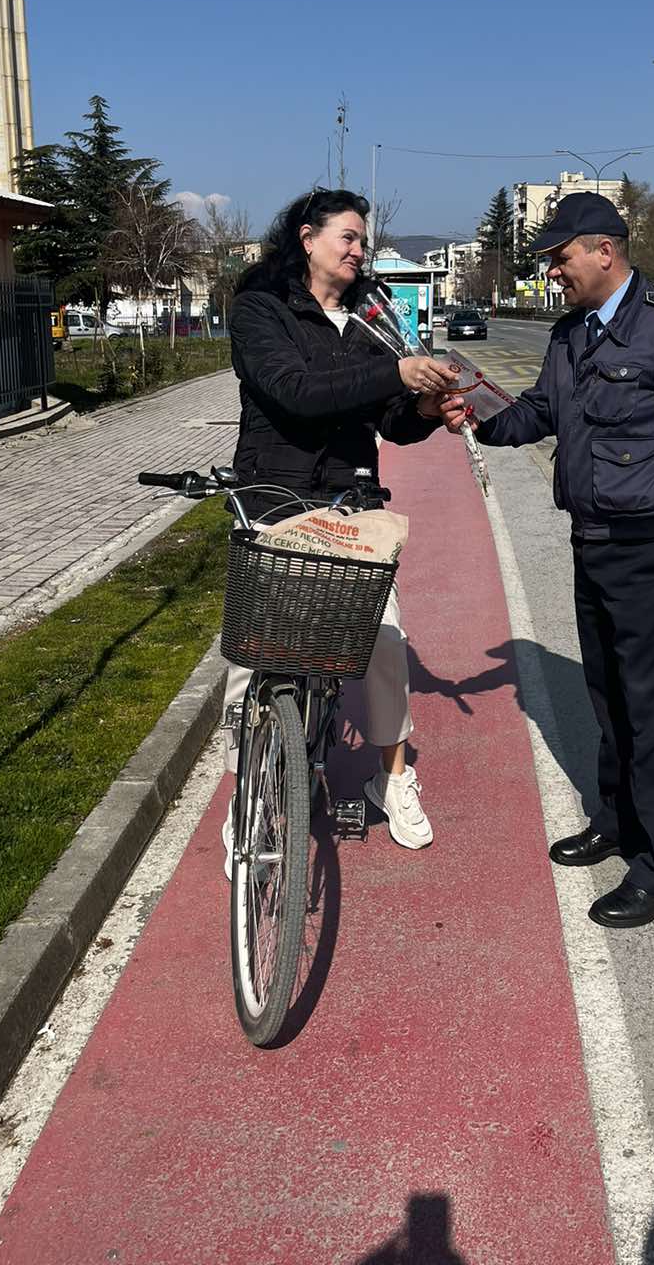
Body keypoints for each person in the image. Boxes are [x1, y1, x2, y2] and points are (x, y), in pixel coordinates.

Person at [442, 191, 654, 929]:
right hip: (594, 539)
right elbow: (541, 412)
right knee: (610, 701)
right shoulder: (574, 333)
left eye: (560, 257)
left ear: (603, 251)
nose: (553, 270)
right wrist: (476, 418)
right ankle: (617, 824)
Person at [221, 189, 454, 869]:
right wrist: (394, 370)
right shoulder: (260, 310)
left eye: (363, 241)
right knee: (251, 656)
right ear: (307, 237)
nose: (359, 250)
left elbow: (389, 421)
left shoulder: (370, 319)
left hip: (352, 506)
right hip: (274, 499)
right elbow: (293, 391)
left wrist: (427, 407)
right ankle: (250, 795)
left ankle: (396, 777)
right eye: (348, 237)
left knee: (384, 638)